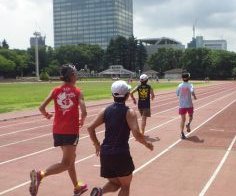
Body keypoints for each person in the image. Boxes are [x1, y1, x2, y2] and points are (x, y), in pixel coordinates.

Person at [87, 80, 154, 196]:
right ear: (128, 95)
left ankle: (100, 192)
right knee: (125, 186)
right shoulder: (129, 112)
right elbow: (137, 135)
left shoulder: (105, 110)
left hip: (105, 153)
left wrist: (97, 144)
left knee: (115, 183)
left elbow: (90, 128)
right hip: (120, 153)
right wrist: (147, 144)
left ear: (113, 94)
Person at [30, 64, 88, 196]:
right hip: (71, 131)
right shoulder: (77, 91)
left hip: (57, 130)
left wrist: (46, 115)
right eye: (76, 74)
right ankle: (41, 174)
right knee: (66, 163)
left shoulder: (55, 90)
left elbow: (41, 107)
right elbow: (84, 111)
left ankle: (77, 186)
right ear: (72, 76)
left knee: (70, 158)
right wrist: (82, 119)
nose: (77, 76)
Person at [176, 72, 197, 139]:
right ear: (188, 78)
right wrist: (194, 96)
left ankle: (182, 133)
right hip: (189, 104)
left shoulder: (179, 86)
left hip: (182, 105)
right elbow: (192, 91)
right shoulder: (190, 85)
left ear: (182, 78)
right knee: (191, 117)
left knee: (182, 119)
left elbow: (177, 94)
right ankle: (188, 124)